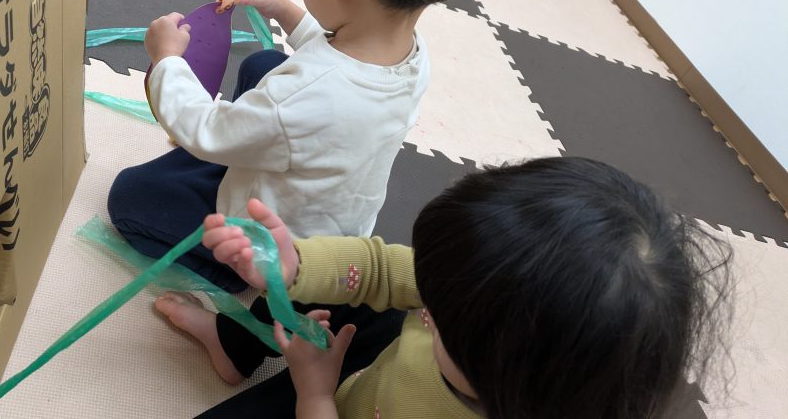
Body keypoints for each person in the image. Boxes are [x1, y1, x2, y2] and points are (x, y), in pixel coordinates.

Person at [109, 0, 498, 294]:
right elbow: (334, 56)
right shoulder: (410, 54)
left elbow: (205, 130)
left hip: (272, 236)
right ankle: (244, 159)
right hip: (328, 215)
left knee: (131, 197)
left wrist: (168, 61)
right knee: (264, 63)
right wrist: (281, 7)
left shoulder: (301, 97)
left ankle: (235, 273)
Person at [193, 157, 734, 419]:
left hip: (329, 402)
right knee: (341, 283)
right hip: (363, 378)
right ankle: (232, 346)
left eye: (437, 312)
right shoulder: (481, 307)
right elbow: (382, 270)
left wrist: (314, 394)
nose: (425, 304)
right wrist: (293, 267)